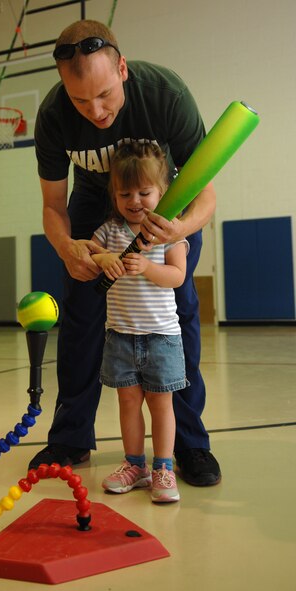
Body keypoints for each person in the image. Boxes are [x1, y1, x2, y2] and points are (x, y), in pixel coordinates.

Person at [30, 19, 221, 487]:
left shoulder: (165, 94)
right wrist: (65, 245)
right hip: (97, 201)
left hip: (164, 201)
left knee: (179, 312)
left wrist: (179, 228)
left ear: (121, 68)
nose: (95, 111)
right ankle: (71, 436)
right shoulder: (54, 116)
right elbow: (53, 206)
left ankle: (189, 445)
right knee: (81, 313)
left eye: (104, 95)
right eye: (80, 100)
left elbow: (207, 197)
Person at [91, 142, 188, 503]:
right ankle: (135, 465)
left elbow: (177, 276)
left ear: (161, 192)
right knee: (128, 403)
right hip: (119, 337)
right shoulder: (109, 230)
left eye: (144, 192)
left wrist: (147, 267)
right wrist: (104, 259)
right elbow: (88, 250)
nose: (135, 200)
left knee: (162, 405)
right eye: (124, 193)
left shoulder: (169, 232)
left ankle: (163, 467)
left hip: (162, 337)